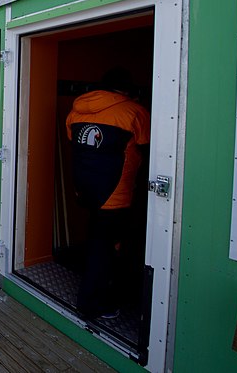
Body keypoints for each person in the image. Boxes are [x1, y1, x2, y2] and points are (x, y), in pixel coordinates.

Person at [66, 67, 150, 320]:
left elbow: (76, 144)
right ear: (126, 89)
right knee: (106, 247)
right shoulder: (134, 112)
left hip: (85, 188)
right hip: (115, 193)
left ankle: (98, 288)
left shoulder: (76, 111)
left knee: (98, 239)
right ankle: (92, 304)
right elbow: (150, 150)